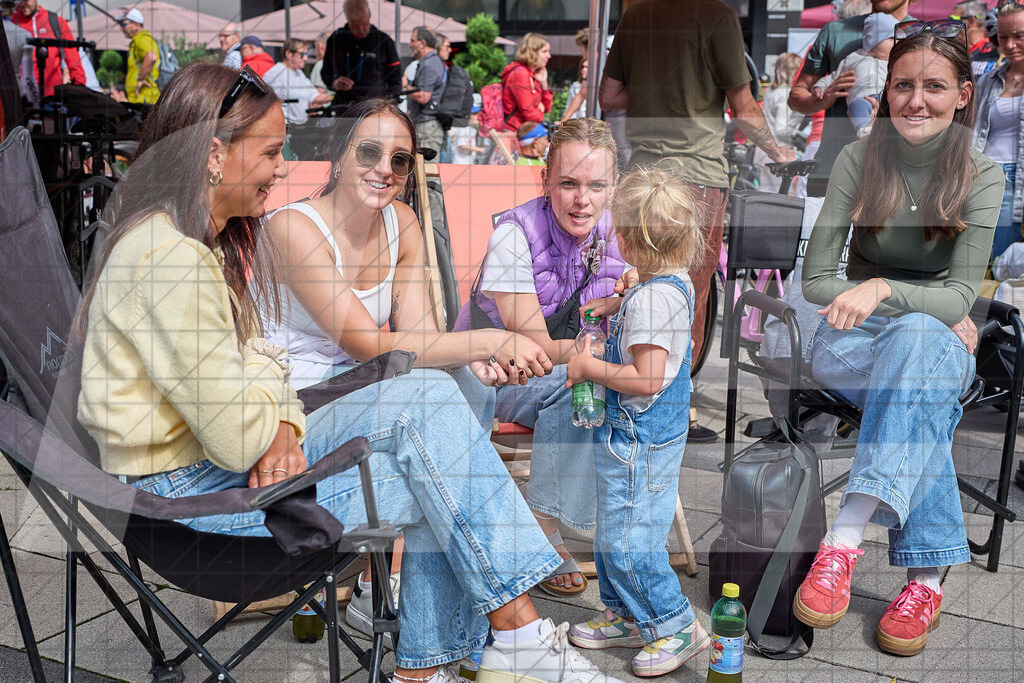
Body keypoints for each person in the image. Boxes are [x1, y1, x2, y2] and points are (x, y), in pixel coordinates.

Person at [74, 62, 624, 683]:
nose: (283, 168)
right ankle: (502, 640)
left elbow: (257, 357)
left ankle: (451, 661)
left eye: (399, 160)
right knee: (438, 460)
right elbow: (249, 420)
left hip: (214, 461)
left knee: (438, 425)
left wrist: (273, 413)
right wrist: (279, 418)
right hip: (186, 499)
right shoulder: (172, 259)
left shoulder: (176, 242)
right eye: (273, 152)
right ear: (213, 154)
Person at [795, 25, 1003, 658]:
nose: (916, 100)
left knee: (917, 348)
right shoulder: (860, 159)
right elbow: (814, 282)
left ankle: (844, 544)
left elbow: (961, 298)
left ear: (963, 95)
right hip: (847, 339)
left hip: (925, 341)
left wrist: (885, 288)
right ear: (886, 91)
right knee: (922, 374)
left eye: (934, 87)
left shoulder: (984, 175)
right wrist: (925, 306)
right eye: (903, 85)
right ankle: (926, 578)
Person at [599, 0, 796, 443]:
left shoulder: (636, 15)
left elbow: (609, 96)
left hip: (645, 173)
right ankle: (674, 412)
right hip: (697, 179)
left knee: (640, 282)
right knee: (690, 295)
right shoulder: (717, 16)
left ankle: (634, 394)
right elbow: (743, 106)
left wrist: (657, 93)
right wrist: (778, 151)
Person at [453, 118, 628, 597]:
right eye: (568, 183)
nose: (581, 199)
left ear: (614, 187)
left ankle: (551, 522)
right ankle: (545, 532)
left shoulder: (615, 234)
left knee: (604, 388)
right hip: (496, 373)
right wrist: (602, 357)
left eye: (596, 185)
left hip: (564, 370)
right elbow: (529, 343)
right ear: (545, 179)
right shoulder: (515, 235)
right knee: (592, 384)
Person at [564, 163, 711, 677]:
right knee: (614, 532)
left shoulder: (652, 301)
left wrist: (589, 367)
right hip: (638, 437)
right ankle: (628, 614)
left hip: (639, 440)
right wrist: (622, 298)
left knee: (630, 540)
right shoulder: (664, 282)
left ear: (630, 238)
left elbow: (648, 379)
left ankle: (675, 624)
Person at [788, 0, 912, 197]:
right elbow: (796, 96)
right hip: (833, 170)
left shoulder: (923, 35)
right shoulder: (835, 32)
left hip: (899, 171)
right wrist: (820, 100)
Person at [974, 1, 1024, 261]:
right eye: (1004, 37)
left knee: (1006, 260)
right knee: (983, 259)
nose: (1011, 44)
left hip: (1015, 178)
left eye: (1019, 36)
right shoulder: (989, 80)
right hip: (983, 174)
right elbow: (971, 129)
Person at [813, 12, 898, 138]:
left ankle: (886, 135)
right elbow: (833, 76)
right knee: (856, 106)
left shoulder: (894, 61)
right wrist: (819, 87)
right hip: (861, 98)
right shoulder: (853, 58)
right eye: (891, 39)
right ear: (873, 40)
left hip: (886, 99)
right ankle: (864, 130)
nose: (896, 43)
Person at [321, 0, 402, 106]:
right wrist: (335, 83)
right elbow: (326, 72)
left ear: (369, 15)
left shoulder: (384, 40)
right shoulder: (336, 40)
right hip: (345, 108)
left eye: (364, 24)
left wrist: (389, 104)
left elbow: (395, 78)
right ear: (347, 19)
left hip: (376, 107)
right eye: (355, 26)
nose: (361, 29)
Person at [11, 0, 84, 98]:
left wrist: (79, 89)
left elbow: (73, 59)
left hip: (53, 95)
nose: (22, 4)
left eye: (26, 0)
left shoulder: (55, 21)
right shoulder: (12, 22)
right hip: (22, 96)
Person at [758, 52, 803, 192]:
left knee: (765, 195)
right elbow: (782, 128)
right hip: (779, 152)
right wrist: (801, 138)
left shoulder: (772, 92)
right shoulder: (785, 94)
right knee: (780, 197)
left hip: (764, 150)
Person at [264, 38, 332, 125]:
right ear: (288, 54)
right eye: (302, 54)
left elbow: (315, 96)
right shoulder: (274, 74)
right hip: (283, 128)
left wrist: (335, 96)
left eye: (306, 54)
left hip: (299, 128)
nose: (305, 58)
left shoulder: (298, 73)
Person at [501, 33, 552, 132]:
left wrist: (544, 84)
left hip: (524, 131)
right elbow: (529, 113)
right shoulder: (521, 74)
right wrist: (540, 110)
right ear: (532, 52)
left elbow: (547, 107)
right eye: (544, 51)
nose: (549, 56)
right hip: (515, 133)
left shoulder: (532, 75)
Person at [115, 8, 159, 105]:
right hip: (142, 98)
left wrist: (140, 79)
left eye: (124, 24)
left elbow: (152, 57)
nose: (121, 28)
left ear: (136, 24)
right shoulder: (137, 41)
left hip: (145, 98)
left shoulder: (141, 38)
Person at [952, 0, 999, 76]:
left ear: (971, 21)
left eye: (953, 19)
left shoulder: (993, 51)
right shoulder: (964, 52)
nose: (951, 24)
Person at [559, 58, 587, 123]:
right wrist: (565, 121)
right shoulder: (575, 86)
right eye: (582, 67)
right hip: (577, 124)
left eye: (587, 67)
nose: (584, 70)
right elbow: (569, 106)